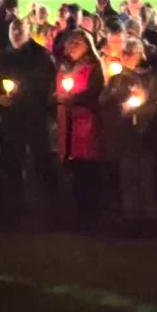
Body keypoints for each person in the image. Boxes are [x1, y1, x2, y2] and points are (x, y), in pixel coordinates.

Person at [99, 37, 157, 232]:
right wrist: (117, 101)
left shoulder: (152, 78)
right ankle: (131, 216)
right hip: (124, 134)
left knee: (146, 176)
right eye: (123, 53)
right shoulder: (117, 79)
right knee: (127, 176)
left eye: (130, 53)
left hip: (145, 133)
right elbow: (102, 100)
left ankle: (149, 217)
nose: (125, 57)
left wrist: (142, 107)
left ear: (140, 54)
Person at [0, 18, 56, 212]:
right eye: (13, 30)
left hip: (34, 113)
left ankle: (46, 199)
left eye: (20, 30)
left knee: (39, 155)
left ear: (28, 31)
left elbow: (46, 82)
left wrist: (21, 91)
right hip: (11, 115)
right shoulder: (5, 55)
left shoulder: (40, 54)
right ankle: (16, 199)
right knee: (12, 155)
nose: (16, 33)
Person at [55, 31, 104, 227]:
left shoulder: (93, 68)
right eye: (70, 43)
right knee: (70, 168)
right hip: (66, 122)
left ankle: (90, 213)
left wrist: (73, 99)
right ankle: (72, 212)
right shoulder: (64, 67)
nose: (72, 46)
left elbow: (94, 94)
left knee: (86, 169)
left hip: (85, 124)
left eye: (77, 43)